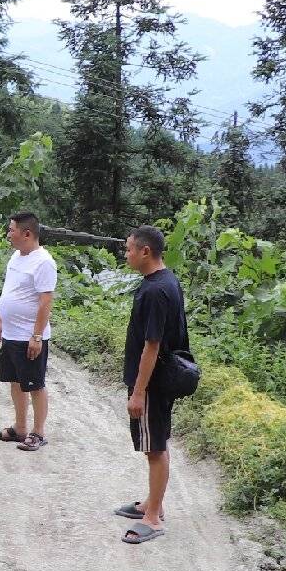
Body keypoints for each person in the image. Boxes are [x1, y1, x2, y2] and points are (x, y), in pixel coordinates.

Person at [115, 225, 187, 544]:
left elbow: (152, 345)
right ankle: (152, 502)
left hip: (153, 384)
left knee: (154, 448)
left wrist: (138, 391)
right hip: (159, 381)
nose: (126, 254)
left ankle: (153, 518)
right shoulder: (165, 280)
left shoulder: (156, 290)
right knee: (157, 443)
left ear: (145, 251)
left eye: (129, 249)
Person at [0, 210, 56, 449]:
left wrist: (36, 336)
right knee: (15, 381)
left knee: (34, 384)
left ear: (26, 233)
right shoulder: (16, 257)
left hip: (29, 336)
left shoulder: (44, 262)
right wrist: (0, 320)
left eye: (11, 230)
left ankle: (38, 433)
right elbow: (10, 291)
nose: (8, 234)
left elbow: (45, 301)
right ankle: (20, 427)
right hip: (11, 334)